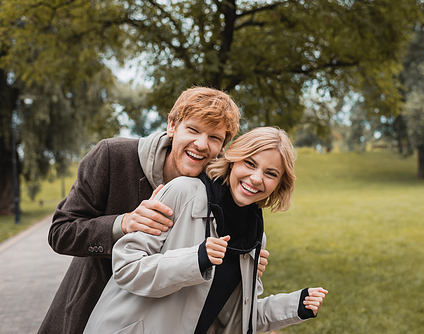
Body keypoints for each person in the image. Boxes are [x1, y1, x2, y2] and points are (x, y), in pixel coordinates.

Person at [39, 87, 269, 334]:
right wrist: (122, 223)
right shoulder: (112, 156)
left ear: (223, 147)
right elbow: (60, 232)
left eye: (214, 138)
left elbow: (203, 265)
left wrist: (242, 266)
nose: (201, 144)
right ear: (172, 126)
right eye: (192, 130)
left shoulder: (216, 191)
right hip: (88, 312)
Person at [83, 127, 328, 334]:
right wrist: (197, 260)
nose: (256, 178)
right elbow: (127, 268)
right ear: (233, 159)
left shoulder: (255, 236)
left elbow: (232, 318)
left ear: (279, 185)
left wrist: (295, 305)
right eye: (250, 163)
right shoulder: (182, 192)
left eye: (270, 174)